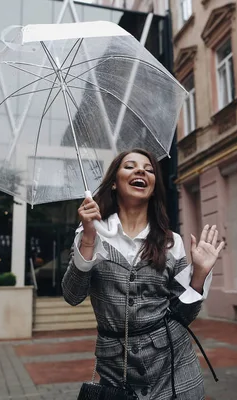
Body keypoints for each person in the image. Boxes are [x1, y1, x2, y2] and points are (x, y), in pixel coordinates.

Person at [62, 148, 224, 400]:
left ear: (153, 186)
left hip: (175, 372)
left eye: (149, 170)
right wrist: (88, 239)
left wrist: (199, 275)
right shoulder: (91, 234)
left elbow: (183, 316)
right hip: (117, 375)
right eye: (130, 166)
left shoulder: (172, 242)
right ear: (114, 183)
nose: (141, 171)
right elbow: (72, 295)